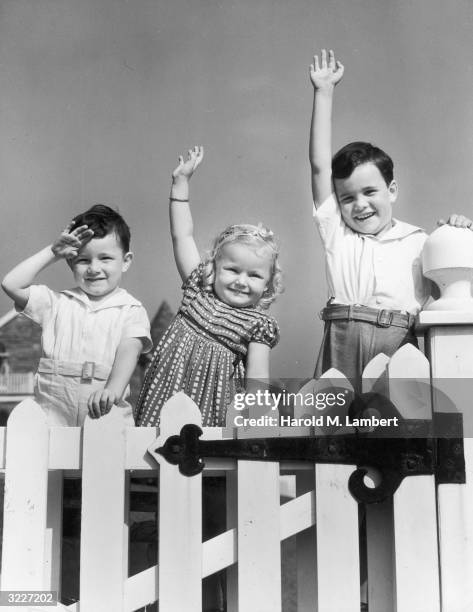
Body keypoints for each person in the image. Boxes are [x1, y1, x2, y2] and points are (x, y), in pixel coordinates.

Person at [309, 49, 473, 388]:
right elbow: (320, 167)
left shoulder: (422, 240)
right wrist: (324, 92)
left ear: (392, 190)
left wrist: (460, 234)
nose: (360, 205)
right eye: (348, 198)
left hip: (399, 343)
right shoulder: (338, 235)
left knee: (395, 431)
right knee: (330, 431)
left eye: (370, 192)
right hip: (343, 339)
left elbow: (455, 291)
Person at [135, 145, 282, 427]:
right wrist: (180, 184)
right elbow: (182, 236)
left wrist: (254, 417)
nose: (241, 281)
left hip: (214, 408)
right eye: (232, 269)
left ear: (267, 286)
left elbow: (257, 379)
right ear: (214, 268)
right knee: (154, 454)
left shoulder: (258, 325)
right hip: (165, 395)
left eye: (254, 276)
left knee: (209, 463)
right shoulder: (197, 291)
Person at [1, 204, 152, 426]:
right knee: (47, 457)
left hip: (102, 404)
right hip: (53, 405)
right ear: (70, 261)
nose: (94, 268)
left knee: (106, 456)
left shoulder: (130, 309)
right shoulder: (57, 303)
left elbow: (129, 351)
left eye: (105, 258)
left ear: (126, 261)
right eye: (83, 260)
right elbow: (11, 284)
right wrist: (52, 253)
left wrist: (113, 390)